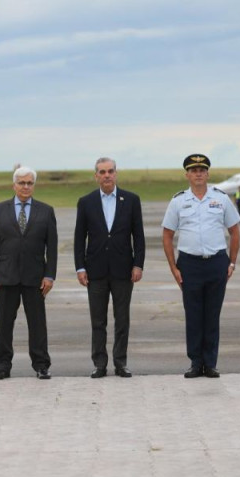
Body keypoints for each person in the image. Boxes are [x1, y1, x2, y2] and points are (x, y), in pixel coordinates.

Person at [162, 154, 240, 378]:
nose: (198, 173)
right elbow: (167, 235)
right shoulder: (178, 201)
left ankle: (211, 363)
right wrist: (174, 268)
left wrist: (232, 262)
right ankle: (196, 362)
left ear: (208, 174)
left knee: (212, 314)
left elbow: (234, 231)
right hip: (189, 264)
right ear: (187, 174)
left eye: (202, 170)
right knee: (194, 314)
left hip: (216, 261)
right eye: (193, 170)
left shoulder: (221, 199)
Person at [74, 157, 145, 378]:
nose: (106, 175)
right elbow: (79, 238)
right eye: (102, 172)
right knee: (98, 320)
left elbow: (139, 236)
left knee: (122, 319)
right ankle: (100, 363)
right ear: (96, 176)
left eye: (110, 171)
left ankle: (120, 362)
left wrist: (138, 264)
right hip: (95, 271)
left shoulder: (131, 200)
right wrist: (80, 268)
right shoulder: (86, 202)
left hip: (123, 270)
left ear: (116, 174)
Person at [0, 166, 58, 380]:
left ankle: (41, 365)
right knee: (4, 324)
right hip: (5, 277)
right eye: (21, 183)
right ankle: (2, 366)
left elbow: (51, 247)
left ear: (34, 185)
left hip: (35, 278)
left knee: (37, 324)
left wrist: (49, 275)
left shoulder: (46, 211)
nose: (25, 187)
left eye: (29, 183)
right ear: (14, 185)